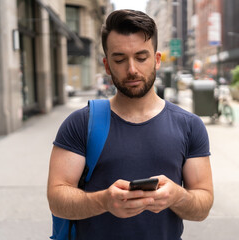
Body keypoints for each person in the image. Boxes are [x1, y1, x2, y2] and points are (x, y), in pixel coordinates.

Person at [47, 9, 213, 240]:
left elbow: (203, 205)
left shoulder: (190, 125)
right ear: (107, 65)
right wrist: (103, 201)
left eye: (141, 57)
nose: (132, 69)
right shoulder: (80, 123)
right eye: (120, 59)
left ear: (156, 60)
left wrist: (177, 196)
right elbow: (57, 200)